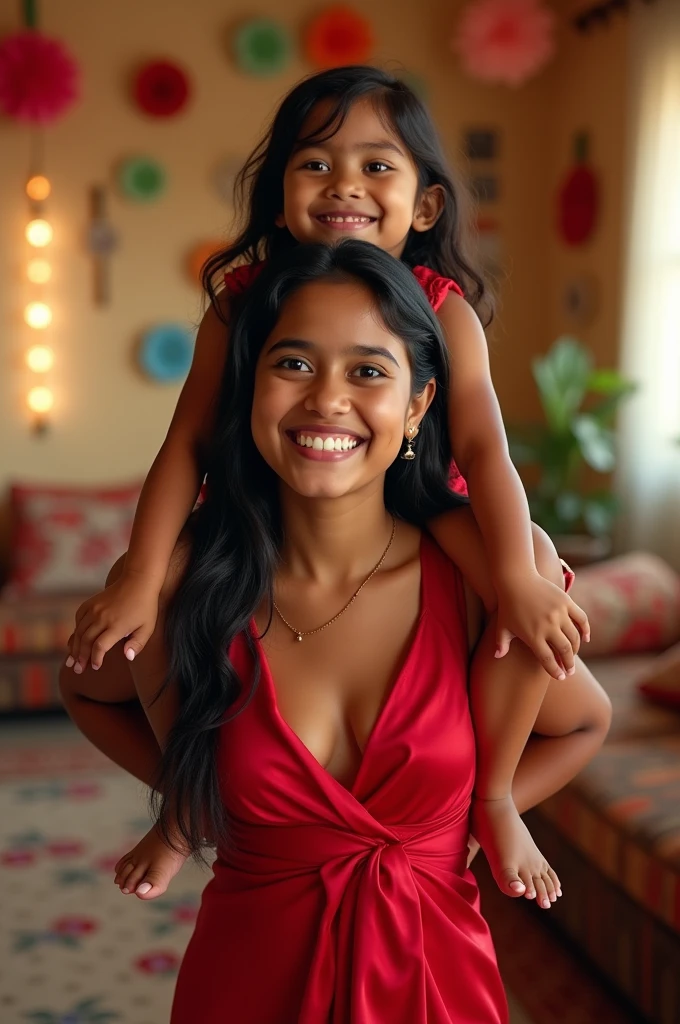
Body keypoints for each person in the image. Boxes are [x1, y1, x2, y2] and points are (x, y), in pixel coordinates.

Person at [65, 65, 598, 897]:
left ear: (425, 206)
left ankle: (492, 800)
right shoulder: (241, 305)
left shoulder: (441, 305)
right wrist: (138, 575)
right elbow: (187, 441)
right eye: (315, 162)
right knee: (158, 585)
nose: (344, 183)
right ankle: (187, 802)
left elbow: (487, 450)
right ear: (278, 197)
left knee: (522, 558)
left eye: (376, 165)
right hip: (257, 510)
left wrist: (522, 580)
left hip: (422, 496)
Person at [60, 242, 611, 1023]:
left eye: (368, 371)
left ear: (419, 405)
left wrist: (477, 819)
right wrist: (193, 803)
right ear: (249, 390)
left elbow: (585, 721)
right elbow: (84, 688)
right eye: (292, 364)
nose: (326, 399)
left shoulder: (476, 584)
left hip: (437, 985)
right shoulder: (190, 591)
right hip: (245, 985)